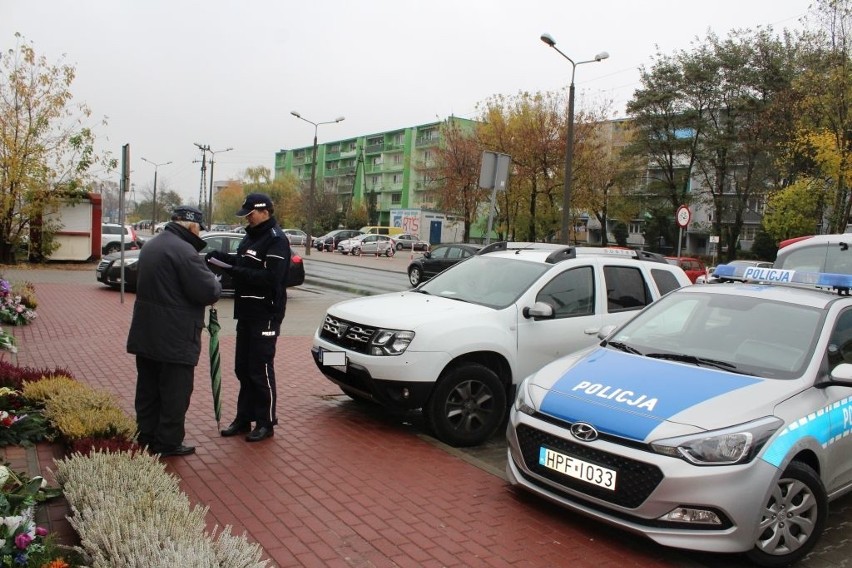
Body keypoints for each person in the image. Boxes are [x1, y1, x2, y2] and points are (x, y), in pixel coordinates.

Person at [127, 205, 222, 457]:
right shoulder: (184, 251)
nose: (200, 233)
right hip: (175, 337)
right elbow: (207, 292)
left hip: (147, 333)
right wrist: (215, 281)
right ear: (191, 225)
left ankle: (146, 435)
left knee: (148, 389)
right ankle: (168, 442)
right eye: (200, 228)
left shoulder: (152, 245)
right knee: (175, 393)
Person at [206, 193, 290, 442]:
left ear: (264, 212)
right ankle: (244, 418)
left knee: (260, 369)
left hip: (266, 314)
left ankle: (266, 422)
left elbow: (271, 278)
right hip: (246, 313)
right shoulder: (250, 236)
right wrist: (219, 258)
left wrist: (234, 271)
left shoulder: (276, 241)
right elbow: (242, 262)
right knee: (242, 368)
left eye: (250, 214)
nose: (248, 218)